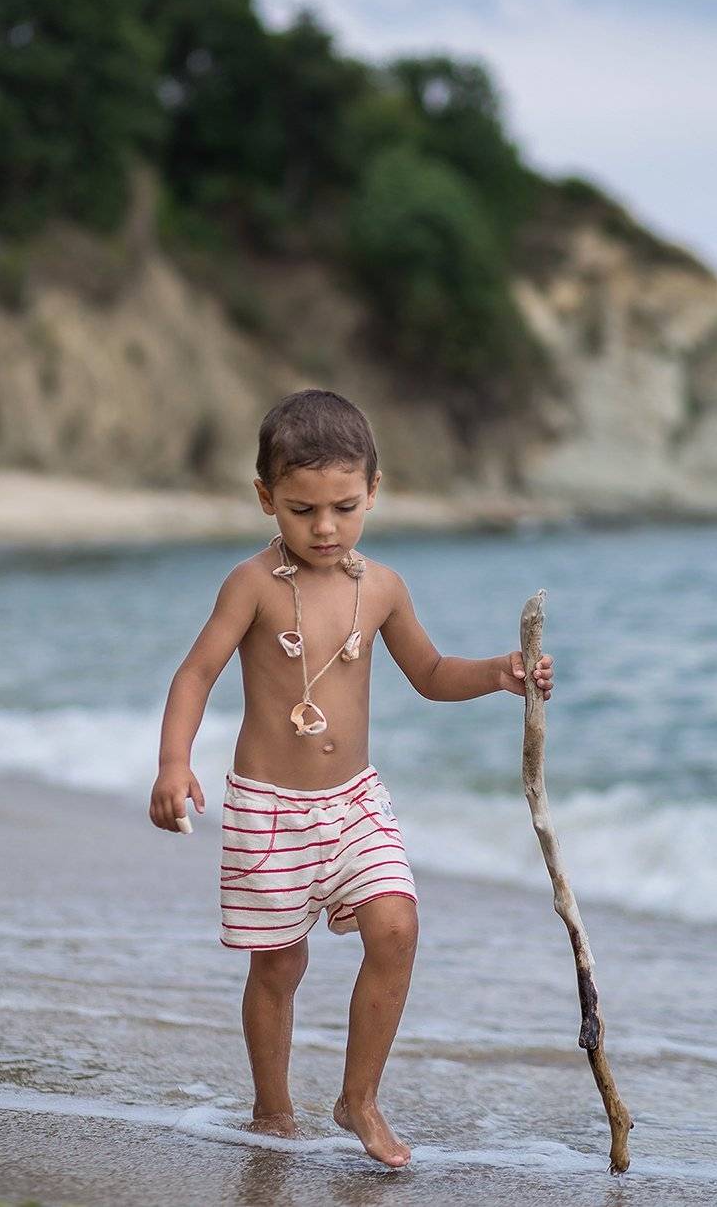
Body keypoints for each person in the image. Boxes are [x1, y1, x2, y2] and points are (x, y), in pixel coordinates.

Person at [149, 389, 554, 1168]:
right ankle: (273, 1107)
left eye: (343, 506)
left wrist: (502, 673)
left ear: (374, 489)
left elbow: (432, 674)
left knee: (397, 926)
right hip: (269, 809)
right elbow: (196, 673)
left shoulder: (385, 587)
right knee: (280, 962)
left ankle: (358, 1098)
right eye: (302, 510)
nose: (325, 528)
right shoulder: (254, 584)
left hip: (355, 802)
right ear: (267, 497)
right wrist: (174, 763)